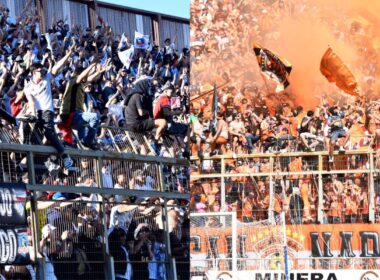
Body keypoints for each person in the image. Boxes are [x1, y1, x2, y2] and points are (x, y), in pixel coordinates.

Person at [24, 47, 75, 169]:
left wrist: (68, 54)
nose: (42, 73)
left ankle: (65, 156)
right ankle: (47, 162)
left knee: (48, 132)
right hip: (38, 114)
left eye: (42, 71)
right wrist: (33, 114)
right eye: (39, 71)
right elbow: (31, 103)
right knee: (34, 138)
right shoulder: (28, 87)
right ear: (33, 72)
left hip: (48, 112)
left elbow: (57, 66)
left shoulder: (46, 78)